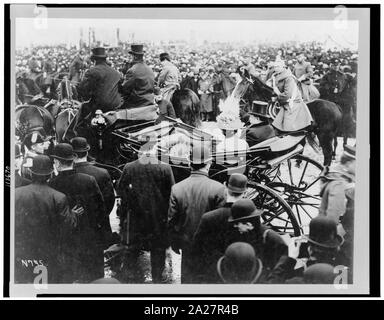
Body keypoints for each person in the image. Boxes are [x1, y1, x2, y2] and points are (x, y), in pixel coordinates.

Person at [117, 137, 175, 283]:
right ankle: (157, 277)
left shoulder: (129, 167)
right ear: (154, 150)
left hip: (136, 217)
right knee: (158, 249)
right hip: (158, 217)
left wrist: (130, 202)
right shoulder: (165, 167)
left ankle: (133, 279)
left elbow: (120, 190)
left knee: (133, 248)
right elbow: (172, 193)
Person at [168, 144, 226, 283]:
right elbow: (223, 222)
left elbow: (171, 220)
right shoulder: (218, 188)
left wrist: (175, 243)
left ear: (189, 163)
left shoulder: (177, 188)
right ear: (209, 163)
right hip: (211, 248)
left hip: (187, 245)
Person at [194, 198, 287, 283]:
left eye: (237, 223)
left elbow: (283, 263)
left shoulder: (269, 237)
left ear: (248, 223)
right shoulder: (240, 233)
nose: (235, 226)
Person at [49, 143, 106, 282]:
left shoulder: (52, 184)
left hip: (67, 243)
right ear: (72, 159)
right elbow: (101, 210)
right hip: (90, 239)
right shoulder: (89, 180)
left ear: (57, 162)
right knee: (94, 281)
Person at [15, 155, 75, 283]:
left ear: (31, 172)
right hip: (49, 254)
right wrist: (74, 215)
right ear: (51, 173)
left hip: (23, 253)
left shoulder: (16, 194)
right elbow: (67, 226)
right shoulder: (59, 197)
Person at [267, 216, 345, 284]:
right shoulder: (342, 269)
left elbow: (272, 284)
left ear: (310, 250)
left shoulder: (298, 281)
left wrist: (289, 259)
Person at [71, 137, 115, 247]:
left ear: (73, 155)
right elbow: (110, 200)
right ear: (87, 152)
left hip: (76, 224)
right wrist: (101, 216)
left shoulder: (68, 175)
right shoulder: (102, 173)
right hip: (99, 225)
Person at [270, 60, 313, 132]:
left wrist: (277, 97)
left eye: (278, 66)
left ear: (283, 67)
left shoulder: (288, 78)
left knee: (287, 126)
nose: (276, 68)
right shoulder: (275, 75)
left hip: (292, 101)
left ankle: (289, 134)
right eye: (274, 67)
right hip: (283, 100)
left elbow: (287, 95)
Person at [78, 47, 122, 114]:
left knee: (82, 109)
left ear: (94, 60)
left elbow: (83, 91)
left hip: (100, 107)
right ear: (105, 59)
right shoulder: (116, 72)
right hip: (116, 106)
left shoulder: (92, 71)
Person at [319, 145, 356, 225]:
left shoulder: (339, 173)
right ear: (349, 164)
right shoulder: (339, 184)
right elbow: (333, 214)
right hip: (330, 229)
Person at [120, 44, 155, 110]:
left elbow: (124, 89)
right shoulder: (149, 69)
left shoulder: (132, 70)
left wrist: (123, 75)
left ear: (134, 57)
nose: (129, 58)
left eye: (130, 56)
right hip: (149, 101)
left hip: (137, 103)